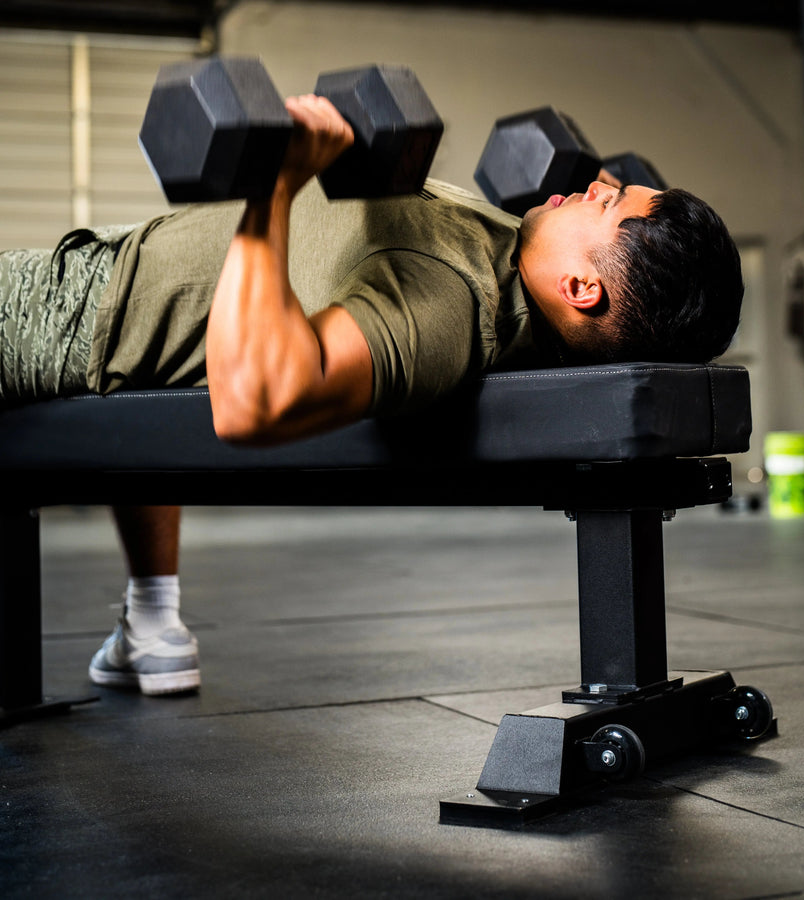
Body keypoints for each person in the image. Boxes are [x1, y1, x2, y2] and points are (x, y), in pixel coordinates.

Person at [0, 95, 744, 696]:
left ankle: (153, 618)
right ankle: (153, 620)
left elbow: (250, 398)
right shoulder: (508, 257)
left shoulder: (445, 304)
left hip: (73, 317)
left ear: (582, 288)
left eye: (609, 205)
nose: (597, 184)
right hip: (114, 289)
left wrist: (274, 188)